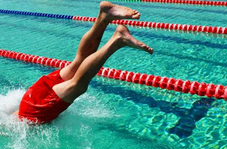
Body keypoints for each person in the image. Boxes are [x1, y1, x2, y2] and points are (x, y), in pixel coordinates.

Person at [14, 1, 153, 124]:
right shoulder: (7, 116)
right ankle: (104, 17)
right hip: (31, 96)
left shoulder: (5, 127)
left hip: (34, 112)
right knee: (78, 63)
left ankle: (117, 40)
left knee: (78, 85)